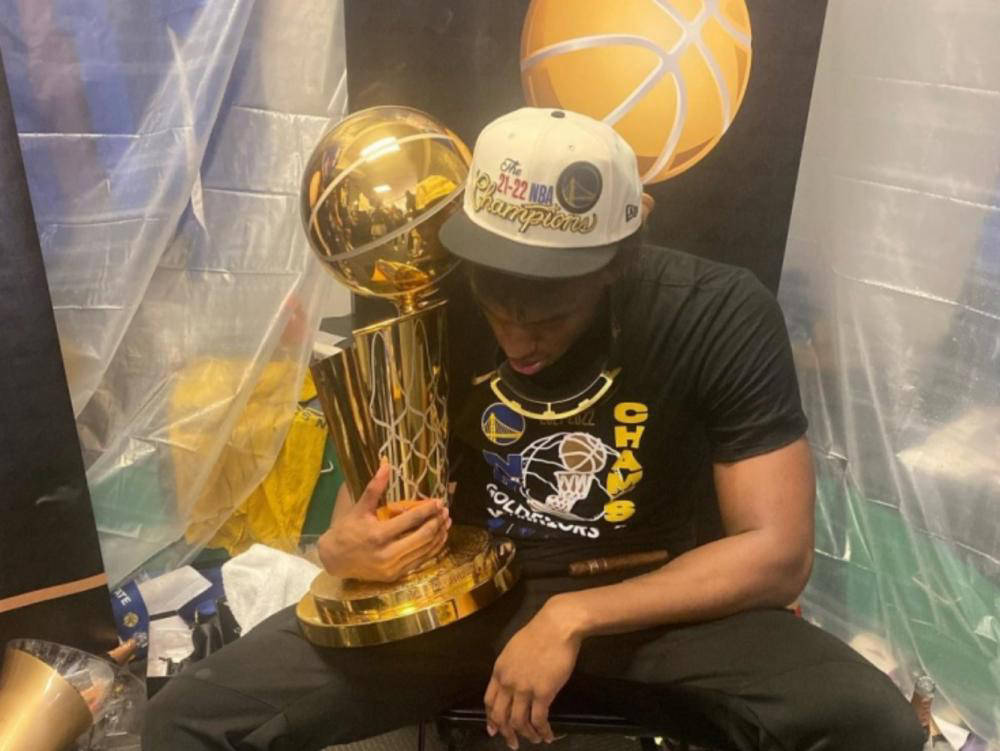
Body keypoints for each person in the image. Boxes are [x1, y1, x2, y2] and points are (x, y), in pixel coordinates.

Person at [143, 108, 924, 751]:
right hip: (465, 601)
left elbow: (778, 554)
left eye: (549, 315)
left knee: (871, 725)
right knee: (187, 718)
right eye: (497, 307)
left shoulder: (715, 310)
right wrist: (344, 550)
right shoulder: (431, 294)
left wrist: (574, 615)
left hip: (651, 604)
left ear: (617, 260)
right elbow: (371, 499)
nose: (517, 340)